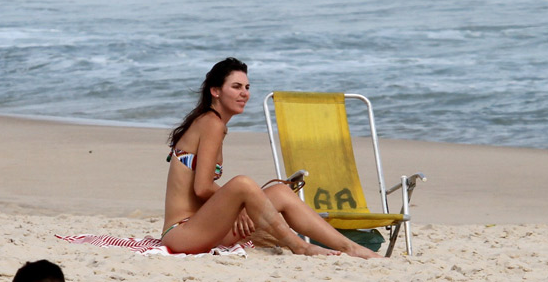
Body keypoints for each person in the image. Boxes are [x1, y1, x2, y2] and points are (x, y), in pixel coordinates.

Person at [160, 57, 382, 258]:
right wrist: (236, 207)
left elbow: (204, 191)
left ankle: (350, 247)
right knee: (243, 184)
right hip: (183, 233)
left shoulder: (213, 124)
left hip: (205, 226)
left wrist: (234, 208)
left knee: (280, 192)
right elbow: (202, 187)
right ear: (215, 91)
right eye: (236, 87)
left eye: (247, 87)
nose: (244, 93)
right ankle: (300, 246)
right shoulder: (211, 123)